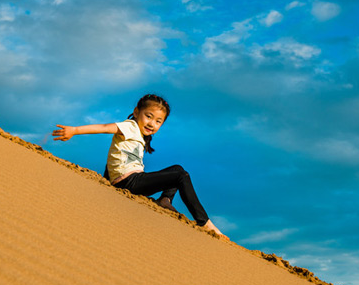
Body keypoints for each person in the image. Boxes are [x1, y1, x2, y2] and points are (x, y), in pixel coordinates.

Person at [52, 94, 228, 239]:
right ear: (136, 112)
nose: (152, 123)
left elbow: (115, 157)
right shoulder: (129, 126)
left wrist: (107, 177)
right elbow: (105, 127)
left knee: (177, 169)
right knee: (181, 175)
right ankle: (205, 224)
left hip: (134, 180)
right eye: (149, 116)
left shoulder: (140, 136)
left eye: (158, 121)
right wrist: (74, 130)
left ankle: (165, 200)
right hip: (129, 182)